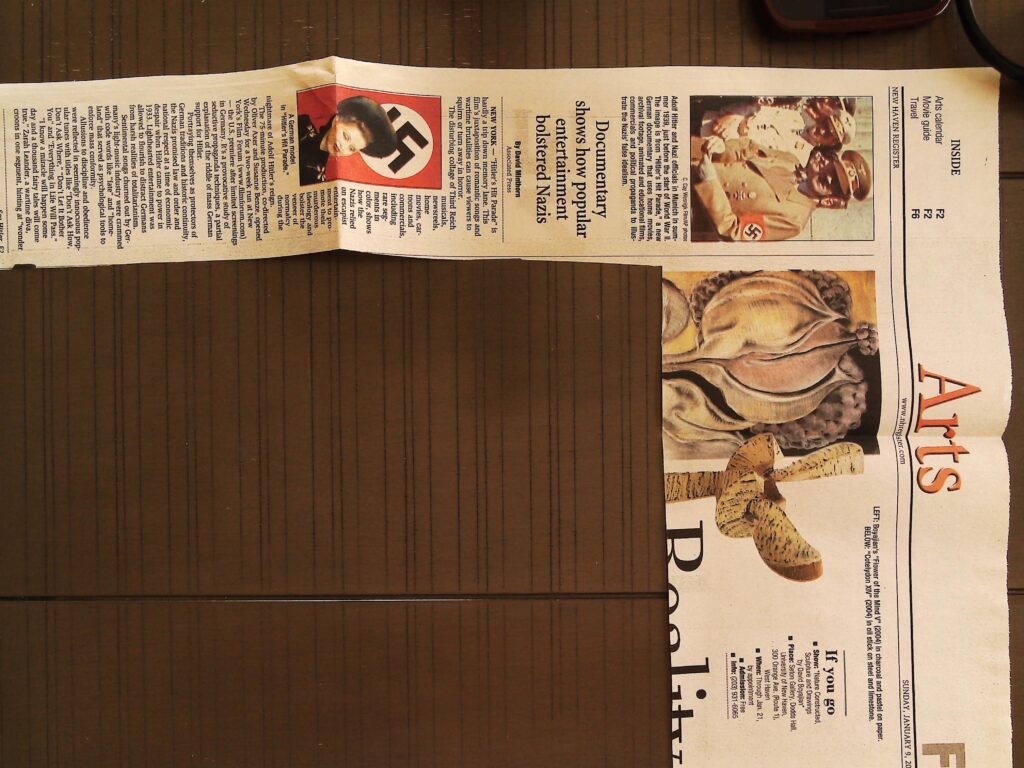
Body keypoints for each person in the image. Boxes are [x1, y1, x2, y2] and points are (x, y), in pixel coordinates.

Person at [691, 136, 871, 241]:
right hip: (690, 166)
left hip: (691, 208)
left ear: (833, 200)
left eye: (836, 185)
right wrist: (722, 149)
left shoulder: (795, 220)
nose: (829, 178)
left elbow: (734, 230)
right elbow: (745, 149)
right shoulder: (790, 161)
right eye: (834, 171)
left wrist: (709, 182)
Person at [701, 99, 856, 167]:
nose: (822, 130)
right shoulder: (797, 116)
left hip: (718, 151)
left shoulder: (799, 159)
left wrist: (741, 133)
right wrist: (736, 115)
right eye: (826, 124)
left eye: (828, 134)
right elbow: (755, 108)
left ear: (831, 143)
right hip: (711, 121)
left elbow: (757, 161)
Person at [297, 95, 400, 185]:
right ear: (336, 121)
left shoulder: (315, 177)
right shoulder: (301, 124)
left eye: (352, 148)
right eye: (346, 137)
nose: (343, 146)